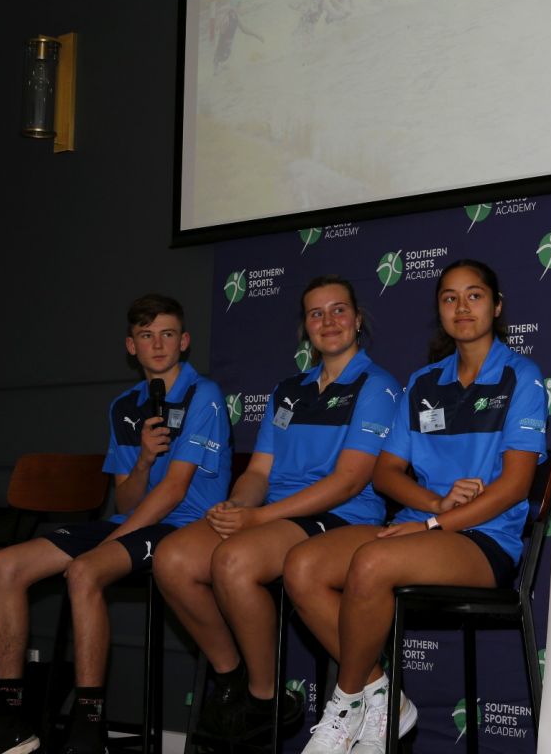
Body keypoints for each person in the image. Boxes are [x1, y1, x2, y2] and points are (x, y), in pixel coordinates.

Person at [285, 259, 548, 754]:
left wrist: (436, 521)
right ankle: (381, 693)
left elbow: (514, 487)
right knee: (302, 563)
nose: (462, 307)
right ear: (439, 311)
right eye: (449, 298)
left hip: (485, 539)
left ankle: (344, 703)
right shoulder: (424, 382)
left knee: (372, 561)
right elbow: (385, 473)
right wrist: (432, 505)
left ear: (497, 306)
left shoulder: (522, 376)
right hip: (422, 526)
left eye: (474, 295)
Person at [0, 294, 232, 754]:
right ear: (131, 345)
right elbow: (127, 496)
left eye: (167, 334)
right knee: (4, 565)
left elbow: (173, 492)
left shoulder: (202, 394)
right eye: (146, 335)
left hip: (186, 527)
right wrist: (143, 461)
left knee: (85, 570)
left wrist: (111, 541)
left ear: (184, 341)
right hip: (134, 518)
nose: (158, 344)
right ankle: (10, 717)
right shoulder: (123, 406)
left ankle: (90, 728)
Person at [152, 275, 401, 747]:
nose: (328, 322)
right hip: (277, 515)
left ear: (358, 319)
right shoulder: (288, 390)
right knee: (173, 558)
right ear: (305, 328)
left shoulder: (378, 386)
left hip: (343, 515)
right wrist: (238, 505)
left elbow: (348, 480)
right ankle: (237, 681)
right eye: (316, 313)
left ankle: (263, 699)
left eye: (338, 310)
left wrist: (258, 519)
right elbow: (259, 472)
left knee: (233, 560)